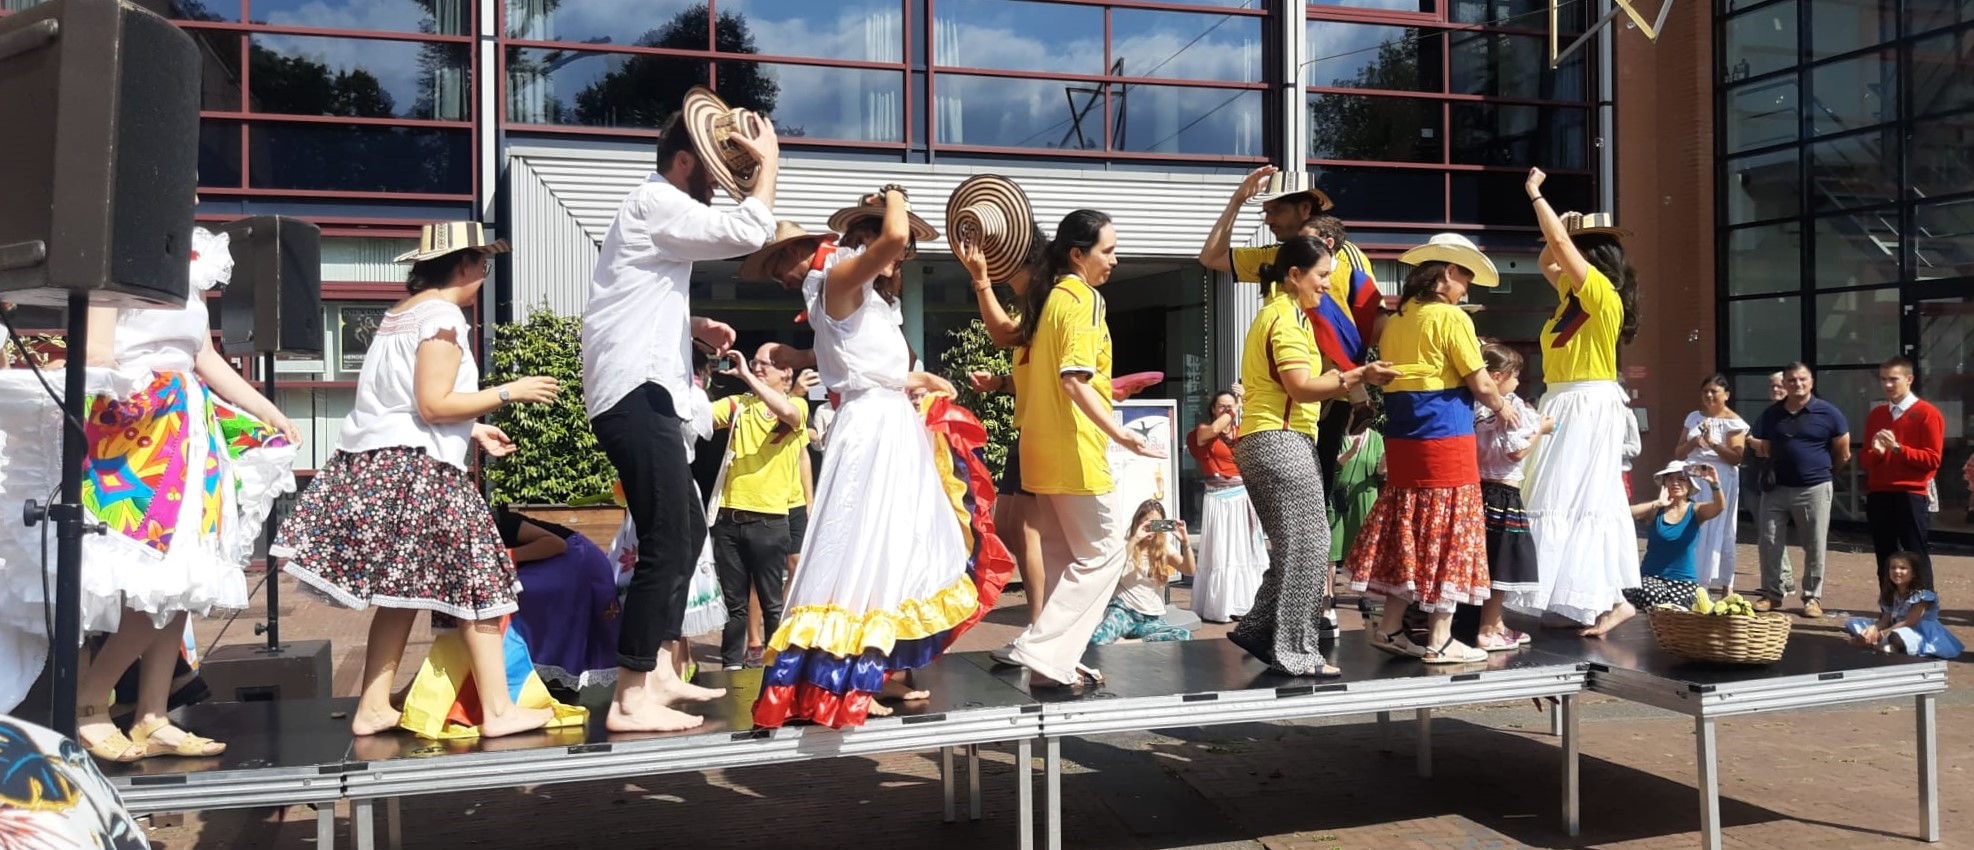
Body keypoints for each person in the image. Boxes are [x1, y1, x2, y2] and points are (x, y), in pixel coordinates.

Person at [276, 221, 558, 738]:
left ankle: (373, 706)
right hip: (421, 472)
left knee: (402, 590)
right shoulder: (444, 318)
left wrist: (472, 428)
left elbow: (404, 404)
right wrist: (508, 392)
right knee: (481, 580)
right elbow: (432, 405)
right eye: (484, 264)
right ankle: (498, 710)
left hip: (380, 465)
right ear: (467, 264)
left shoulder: (398, 317)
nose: (484, 274)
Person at [30, 226, 300, 760]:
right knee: (156, 575)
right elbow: (97, 353)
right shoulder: (111, 258)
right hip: (136, 430)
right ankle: (89, 699)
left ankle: (152, 713)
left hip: (186, 427)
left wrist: (266, 410)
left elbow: (203, 356)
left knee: (187, 577)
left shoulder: (186, 265)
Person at [742, 187, 979, 728]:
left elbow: (861, 367)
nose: (900, 256)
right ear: (864, 242)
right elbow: (894, 234)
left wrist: (914, 379)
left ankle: (875, 669)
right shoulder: (838, 282)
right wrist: (895, 195)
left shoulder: (862, 295)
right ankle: (841, 678)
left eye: (786, 257)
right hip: (872, 431)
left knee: (894, 547)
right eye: (895, 251)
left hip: (886, 426)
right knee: (860, 547)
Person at [582, 95, 779, 732]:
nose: (724, 182)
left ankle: (661, 671)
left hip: (643, 391)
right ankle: (630, 695)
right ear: (686, 161)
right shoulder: (656, 203)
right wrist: (767, 164)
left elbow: (628, 298)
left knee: (685, 534)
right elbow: (752, 231)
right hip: (636, 395)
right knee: (669, 538)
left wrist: (691, 325)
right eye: (716, 168)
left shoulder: (651, 215)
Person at [992, 209, 1165, 688]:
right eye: (1107, 250)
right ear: (1077, 254)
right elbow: (1073, 379)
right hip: (1074, 451)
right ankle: (1041, 648)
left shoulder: (1048, 304)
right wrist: (1120, 431)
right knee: (1105, 555)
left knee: (1061, 554)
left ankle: (1052, 665)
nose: (1115, 259)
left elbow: (1045, 377)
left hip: (1040, 449)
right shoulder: (1084, 299)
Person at [1229, 236, 1397, 676]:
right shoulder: (1285, 319)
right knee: (1311, 544)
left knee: (1295, 545)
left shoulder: (1286, 316)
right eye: (1322, 275)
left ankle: (1259, 629)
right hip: (1280, 439)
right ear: (1294, 276)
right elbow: (1301, 386)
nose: (1327, 284)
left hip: (1269, 438)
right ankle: (1296, 651)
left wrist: (1349, 378)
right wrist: (1360, 374)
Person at [1349, 234, 1520, 665]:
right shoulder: (1451, 317)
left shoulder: (1400, 317)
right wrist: (1504, 408)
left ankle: (1390, 626)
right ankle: (1440, 638)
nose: (1467, 289)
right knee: (1451, 528)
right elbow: (1480, 382)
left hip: (1405, 435)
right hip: (1445, 434)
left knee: (1410, 524)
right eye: (1465, 278)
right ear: (1448, 273)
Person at [1199, 168, 1381, 506]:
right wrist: (1236, 201)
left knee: (1314, 496)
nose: (1267, 219)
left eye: (1275, 209)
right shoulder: (1273, 256)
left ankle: (1318, 559)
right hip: (1278, 394)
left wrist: (1353, 379)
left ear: (1305, 210)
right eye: (1265, 210)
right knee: (1292, 507)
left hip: (1327, 393)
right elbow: (1210, 257)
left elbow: (1369, 318)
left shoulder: (1348, 255)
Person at [1509, 169, 1644, 626]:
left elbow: (1560, 249)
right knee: (1564, 493)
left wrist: (1536, 197)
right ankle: (1603, 597)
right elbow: (1551, 259)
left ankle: (1603, 597)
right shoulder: (1572, 294)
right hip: (1566, 400)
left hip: (1586, 401)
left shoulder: (1601, 293)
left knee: (1574, 495)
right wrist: (1559, 228)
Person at [707, 343, 808, 671]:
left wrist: (748, 376)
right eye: (754, 362)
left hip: (770, 522)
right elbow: (699, 416)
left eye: (767, 363)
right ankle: (730, 671)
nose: (758, 367)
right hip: (728, 519)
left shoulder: (796, 406)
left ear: (785, 373)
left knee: (772, 604)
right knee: (733, 606)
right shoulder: (738, 405)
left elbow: (789, 415)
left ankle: (778, 670)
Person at [1748, 362, 1851, 618]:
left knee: (1814, 544)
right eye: (1792, 380)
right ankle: (1772, 594)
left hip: (1814, 488)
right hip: (1776, 488)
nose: (1797, 384)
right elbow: (1764, 446)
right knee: (1769, 541)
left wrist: (1826, 473)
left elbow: (1843, 451)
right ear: (1785, 384)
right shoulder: (1771, 414)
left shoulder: (1829, 413)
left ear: (1811, 381)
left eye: (1802, 379)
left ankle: (1812, 598)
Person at [1582, 461, 1727, 637]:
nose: (1675, 483)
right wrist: (1656, 503)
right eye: (1670, 479)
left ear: (1689, 486)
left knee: (1696, 602)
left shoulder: (1696, 510)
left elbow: (1719, 507)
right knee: (1651, 593)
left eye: (1681, 479)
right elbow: (1624, 513)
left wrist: (1714, 483)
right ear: (1664, 484)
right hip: (1651, 579)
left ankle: (1668, 616)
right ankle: (1645, 612)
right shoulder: (1656, 511)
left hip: (1684, 582)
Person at [1472, 343, 1547, 650]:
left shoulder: (1477, 408)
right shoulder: (1502, 409)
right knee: (1502, 564)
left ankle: (1496, 622)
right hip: (1503, 491)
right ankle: (1488, 628)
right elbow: (1515, 451)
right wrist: (1540, 430)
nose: (1518, 383)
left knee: (1491, 560)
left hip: (1483, 488)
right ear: (1499, 377)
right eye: (1516, 376)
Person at [497, 510, 621, 691]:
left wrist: (502, 557)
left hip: (575, 560)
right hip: (553, 566)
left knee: (517, 598)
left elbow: (556, 544)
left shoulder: (501, 521)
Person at [1187, 387, 1269, 623]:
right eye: (1222, 406)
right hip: (1219, 499)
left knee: (1246, 551)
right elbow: (1213, 429)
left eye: (1230, 405)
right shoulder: (1201, 432)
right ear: (1213, 409)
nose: (1227, 409)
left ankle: (1249, 604)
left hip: (1243, 496)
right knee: (1222, 553)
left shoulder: (1243, 433)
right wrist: (1236, 408)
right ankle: (1220, 605)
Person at [1862, 356, 1945, 577]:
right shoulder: (1877, 414)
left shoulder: (1928, 413)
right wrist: (1877, 453)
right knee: (1885, 557)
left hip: (1911, 493)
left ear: (1909, 379)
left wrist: (1898, 448)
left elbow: (1933, 460)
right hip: (1880, 492)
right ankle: (1889, 608)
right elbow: (1865, 461)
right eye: (1883, 380)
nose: (1887, 385)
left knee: (1914, 556)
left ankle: (1922, 609)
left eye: (1893, 379)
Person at [1676, 374, 1750, 593]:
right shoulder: (1692, 417)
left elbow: (1736, 457)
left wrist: (1713, 443)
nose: (1708, 395)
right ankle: (1692, 578)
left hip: (1720, 478)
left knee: (1719, 527)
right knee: (1692, 523)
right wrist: (1693, 442)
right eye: (1705, 391)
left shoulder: (1734, 422)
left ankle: (1724, 582)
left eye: (1714, 391)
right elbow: (1679, 452)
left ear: (1726, 395)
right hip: (1693, 474)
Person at [1090, 500, 1196, 644]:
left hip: (1149, 619)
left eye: (1156, 524)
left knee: (1183, 635)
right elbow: (1113, 568)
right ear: (1138, 523)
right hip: (1123, 611)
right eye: (1147, 523)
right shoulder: (1125, 544)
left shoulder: (1163, 548)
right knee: (1097, 640)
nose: (1152, 528)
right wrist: (1135, 539)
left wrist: (1186, 543)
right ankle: (1129, 642)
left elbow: (1189, 570)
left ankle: (1131, 644)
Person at [1846, 551, 1962, 659]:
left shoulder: (1923, 596)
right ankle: (1876, 643)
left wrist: (1881, 634)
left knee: (1898, 636)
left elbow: (1909, 622)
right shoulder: (1891, 593)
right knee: (1853, 624)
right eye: (1893, 568)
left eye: (1903, 568)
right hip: (1892, 627)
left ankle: (1885, 644)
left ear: (1914, 573)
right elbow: (1885, 619)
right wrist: (1873, 629)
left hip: (1917, 632)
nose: (1897, 571)